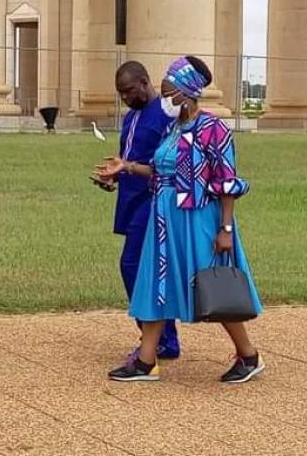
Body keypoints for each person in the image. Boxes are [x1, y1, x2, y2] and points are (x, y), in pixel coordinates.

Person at [95, 56, 264, 383]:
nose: (165, 99)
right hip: (164, 220)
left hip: (197, 218)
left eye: (169, 92)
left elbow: (226, 182)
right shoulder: (173, 129)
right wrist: (126, 167)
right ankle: (146, 361)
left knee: (210, 285)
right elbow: (159, 170)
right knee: (155, 284)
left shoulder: (212, 128)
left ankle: (248, 355)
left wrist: (226, 228)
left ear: (187, 94)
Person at [100, 61, 181, 359]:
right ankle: (164, 339)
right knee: (145, 269)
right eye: (120, 93)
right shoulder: (130, 117)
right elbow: (127, 157)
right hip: (131, 200)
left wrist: (128, 168)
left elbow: (167, 164)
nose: (125, 98)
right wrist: (114, 176)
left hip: (153, 201)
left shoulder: (165, 115)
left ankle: (159, 338)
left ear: (145, 83)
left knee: (133, 265)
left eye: (129, 91)